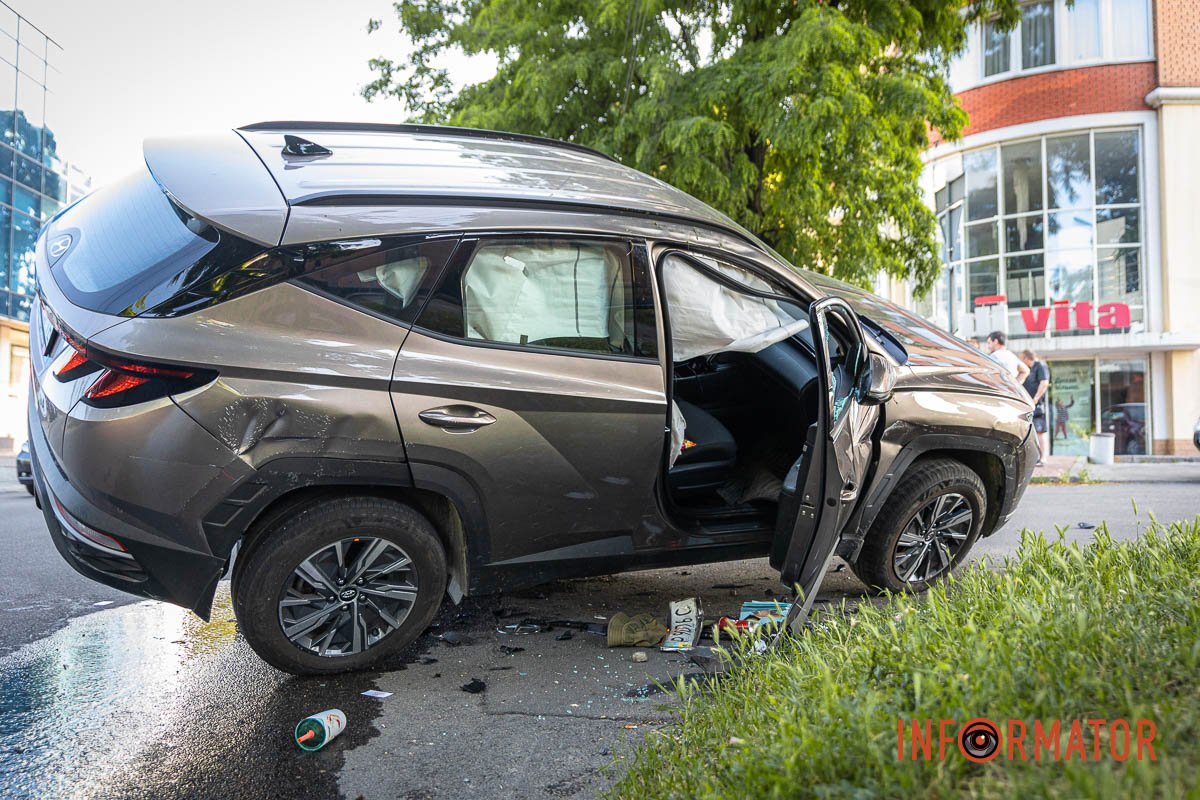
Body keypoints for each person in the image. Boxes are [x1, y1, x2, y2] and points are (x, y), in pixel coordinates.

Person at [1020, 349, 1050, 465]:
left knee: (1040, 431)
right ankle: (1034, 458)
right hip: (1028, 405)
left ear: (1027, 358)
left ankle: (1043, 458)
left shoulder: (1040, 366)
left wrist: (1036, 398)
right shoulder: (1028, 370)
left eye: (1022, 360)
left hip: (1037, 405)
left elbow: (1044, 383)